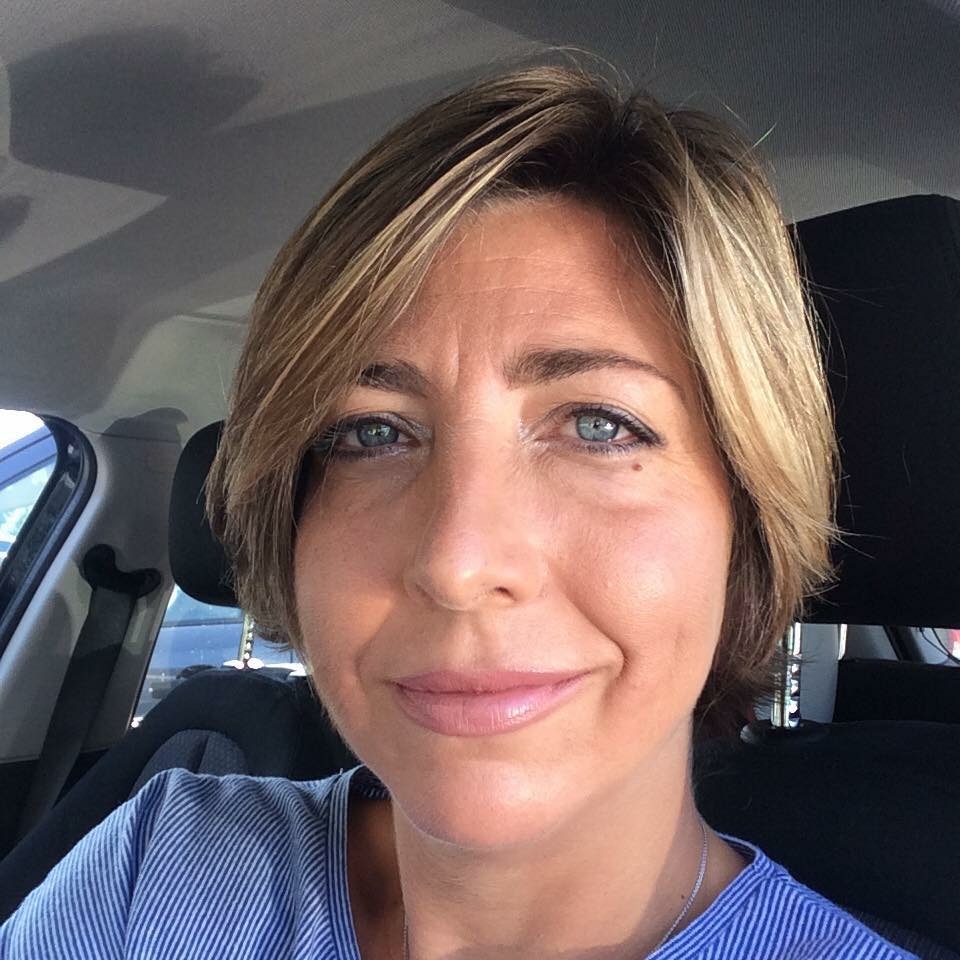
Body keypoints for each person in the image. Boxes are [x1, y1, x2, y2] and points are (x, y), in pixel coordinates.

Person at [0, 65, 916, 959]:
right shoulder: (159, 870)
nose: (457, 561)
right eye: (370, 433)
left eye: (598, 425)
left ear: (746, 522)